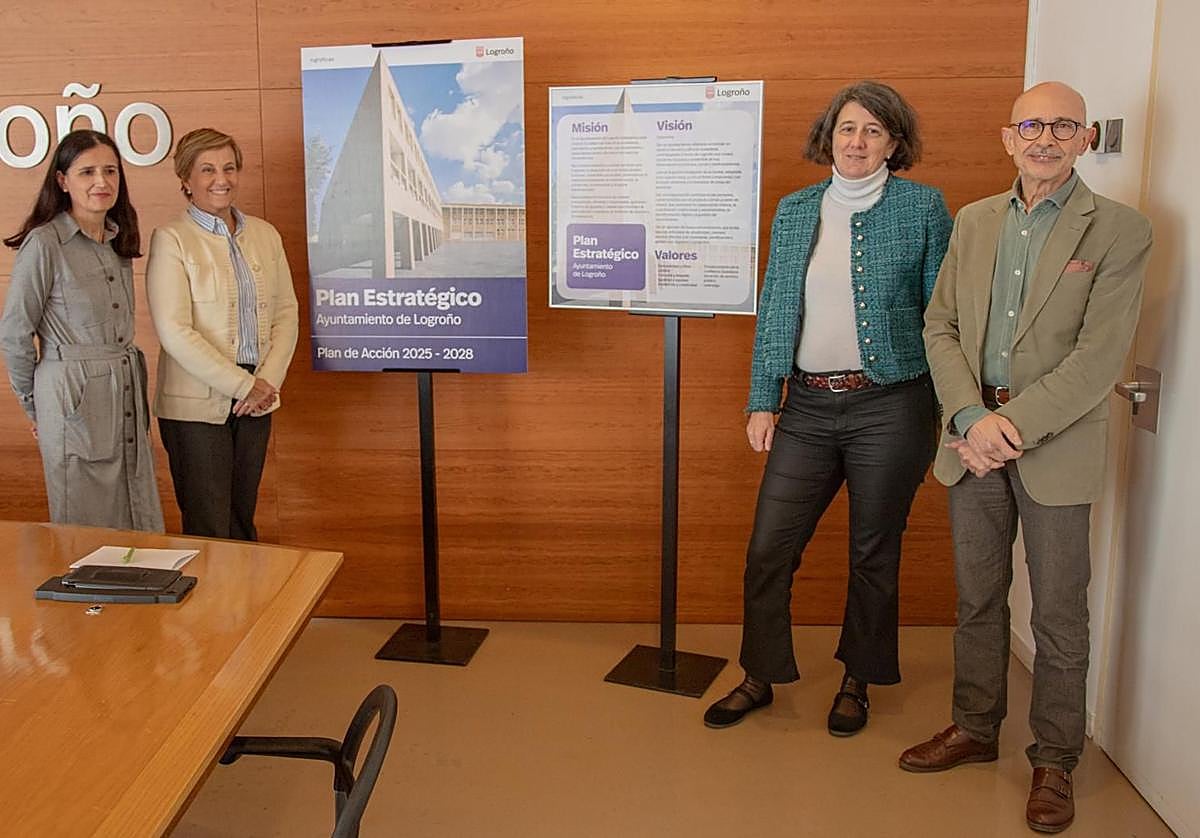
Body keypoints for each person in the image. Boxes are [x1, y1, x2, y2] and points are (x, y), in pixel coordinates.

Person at [899, 82, 1152, 834]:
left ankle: (1054, 761)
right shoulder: (974, 221)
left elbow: (1098, 356)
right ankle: (975, 729)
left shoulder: (1119, 230)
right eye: (1031, 125)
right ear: (1008, 137)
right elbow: (939, 324)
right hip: (971, 441)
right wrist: (972, 416)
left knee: (1060, 613)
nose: (1045, 138)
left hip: (1053, 444)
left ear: (1083, 138)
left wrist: (1008, 427)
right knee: (978, 599)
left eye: (1063, 125)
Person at [704, 82, 952, 736]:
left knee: (874, 551)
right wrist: (764, 399)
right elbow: (778, 309)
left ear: (895, 143)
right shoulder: (796, 210)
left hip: (891, 406)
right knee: (768, 549)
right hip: (809, 409)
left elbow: (943, 318)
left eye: (874, 130)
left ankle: (856, 682)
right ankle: (758, 675)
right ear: (829, 136)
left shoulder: (924, 209)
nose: (858, 141)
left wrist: (957, 409)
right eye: (847, 128)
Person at [0, 130, 164, 532]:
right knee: (85, 527)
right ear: (62, 181)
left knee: (136, 511)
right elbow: (14, 333)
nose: (101, 182)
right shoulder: (44, 243)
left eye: (110, 171)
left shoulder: (116, 238)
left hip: (122, 389)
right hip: (71, 395)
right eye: (87, 171)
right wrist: (35, 406)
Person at [146, 128, 298, 540]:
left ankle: (248, 606)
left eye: (229, 168)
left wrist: (267, 384)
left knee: (241, 519)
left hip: (258, 396)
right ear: (186, 179)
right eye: (207, 169)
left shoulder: (265, 235)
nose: (221, 179)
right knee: (209, 527)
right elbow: (174, 331)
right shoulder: (172, 240)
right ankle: (215, 606)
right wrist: (243, 385)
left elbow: (286, 313)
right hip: (195, 405)